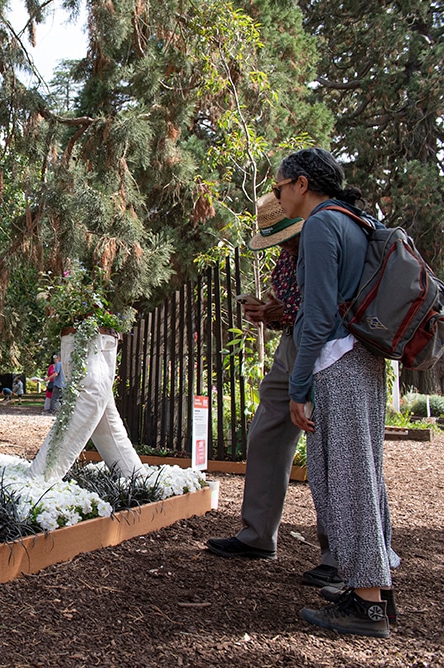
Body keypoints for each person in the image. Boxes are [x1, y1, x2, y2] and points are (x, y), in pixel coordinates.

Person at [279, 147, 398, 638]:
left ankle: (367, 605)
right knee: (363, 475)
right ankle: (373, 586)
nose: (277, 194)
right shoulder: (356, 220)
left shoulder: (321, 225)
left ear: (302, 183)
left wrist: (298, 385)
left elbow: (319, 315)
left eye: (279, 185)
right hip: (363, 359)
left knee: (347, 479)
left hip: (339, 362)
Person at [206, 193, 341, 589]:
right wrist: (268, 312)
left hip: (329, 347)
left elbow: (330, 303)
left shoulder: (325, 238)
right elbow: (288, 304)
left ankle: (339, 552)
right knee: (266, 431)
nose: (282, 246)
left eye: (285, 237)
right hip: (292, 347)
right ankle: (257, 535)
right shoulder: (288, 254)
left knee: (329, 447)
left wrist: (287, 312)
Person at [29, 327, 143, 481]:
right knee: (98, 406)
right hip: (92, 338)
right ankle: (132, 474)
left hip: (96, 340)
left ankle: (41, 477)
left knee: (96, 406)